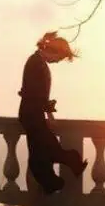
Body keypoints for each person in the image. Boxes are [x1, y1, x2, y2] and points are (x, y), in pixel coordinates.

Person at [17, 31, 87, 194]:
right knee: (43, 152)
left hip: (32, 113)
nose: (57, 61)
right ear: (52, 51)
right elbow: (37, 94)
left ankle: (57, 178)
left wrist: (48, 113)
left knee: (44, 151)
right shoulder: (36, 64)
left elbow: (38, 95)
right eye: (58, 58)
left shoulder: (38, 63)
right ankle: (62, 173)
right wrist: (49, 114)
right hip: (31, 114)